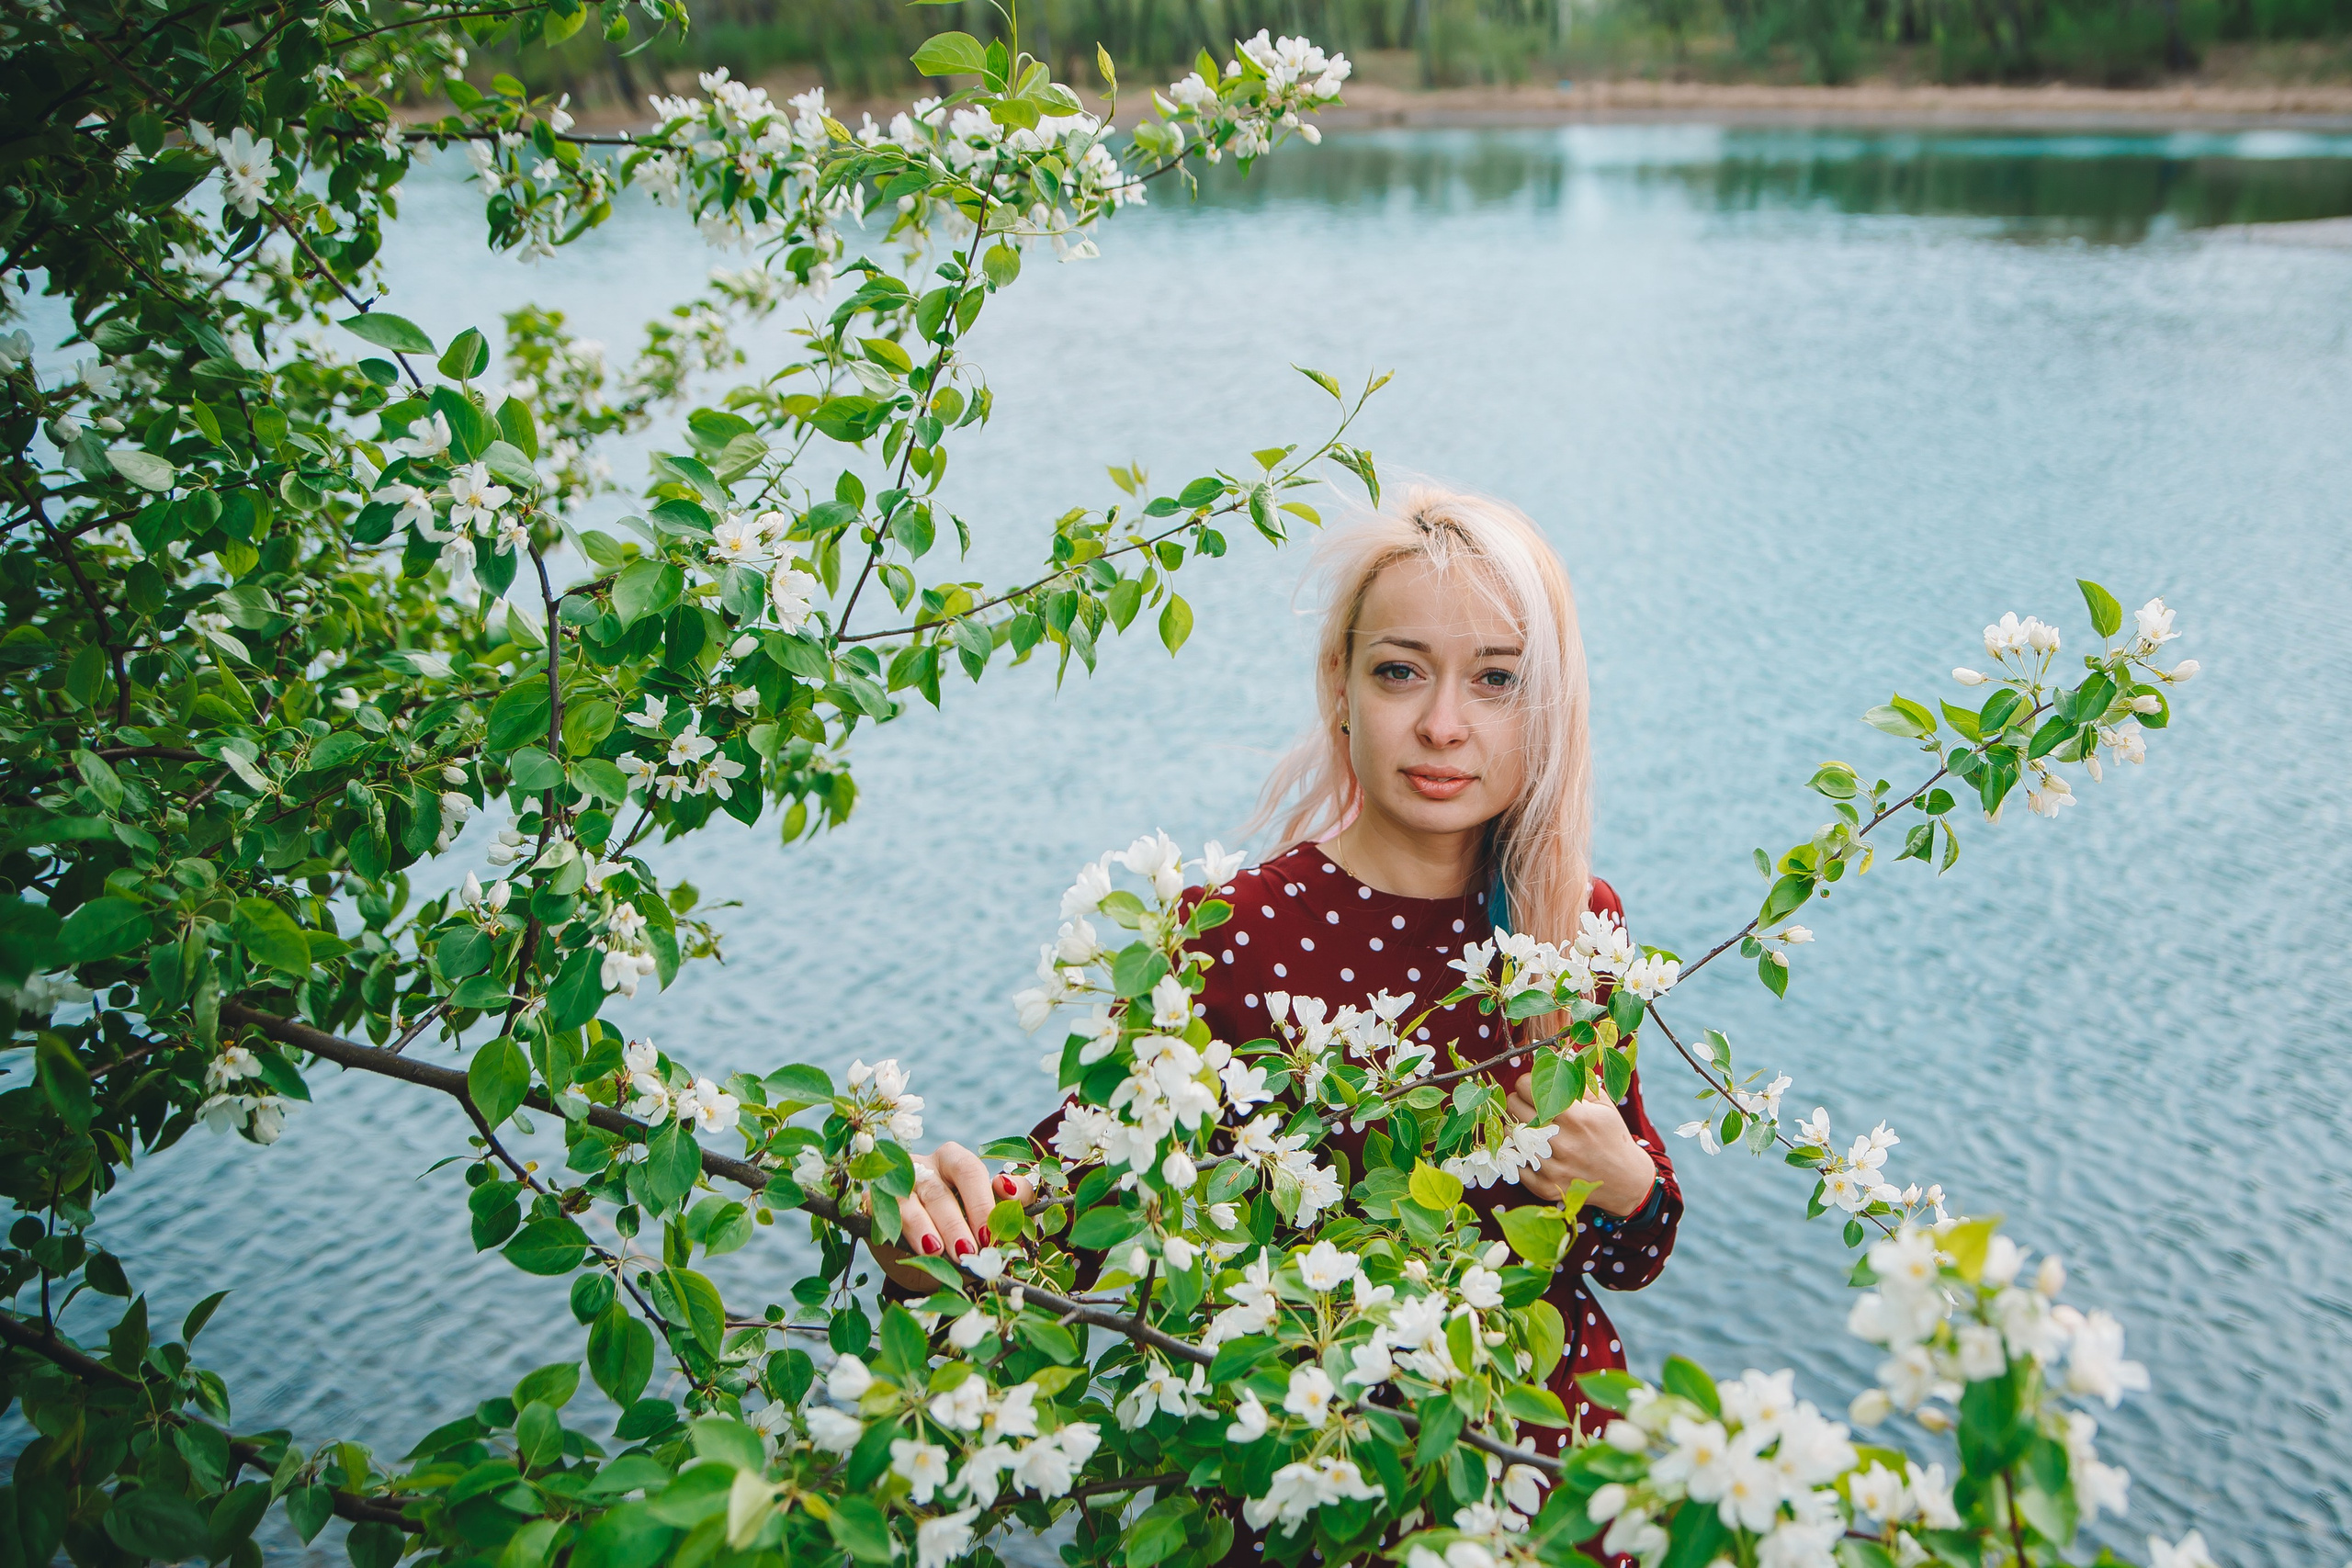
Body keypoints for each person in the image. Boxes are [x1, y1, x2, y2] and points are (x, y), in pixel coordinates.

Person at [876, 484, 1681, 1443]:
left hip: (1544, 1463)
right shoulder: (1230, 932)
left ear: (1546, 702)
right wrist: (937, 1229)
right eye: (1398, 672)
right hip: (1314, 1474)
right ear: (1337, 685)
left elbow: (1630, 1255)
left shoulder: (1575, 925)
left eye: (1496, 680)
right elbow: (1070, 1213)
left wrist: (1629, 1186)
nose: (1442, 726)